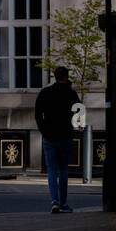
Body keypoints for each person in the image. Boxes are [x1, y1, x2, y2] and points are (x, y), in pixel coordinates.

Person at [35, 66, 80, 214]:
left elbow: (37, 114)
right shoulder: (71, 94)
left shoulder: (45, 93)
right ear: (66, 76)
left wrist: (44, 130)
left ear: (54, 76)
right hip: (66, 136)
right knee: (63, 170)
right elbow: (79, 115)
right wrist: (74, 128)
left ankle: (54, 201)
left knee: (52, 171)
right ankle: (63, 203)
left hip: (49, 137)